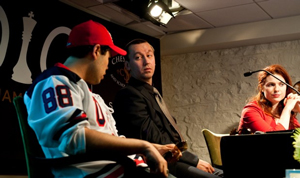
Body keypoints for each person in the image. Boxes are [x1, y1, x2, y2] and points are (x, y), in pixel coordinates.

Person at [23, 20, 181, 178]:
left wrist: (152, 148)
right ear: (96, 50)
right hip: (98, 173)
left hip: (122, 167)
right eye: (108, 56)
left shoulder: (87, 91)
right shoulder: (54, 81)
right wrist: (143, 146)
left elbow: (110, 138)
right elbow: (73, 138)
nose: (108, 64)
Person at [112, 39, 223, 178]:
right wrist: (194, 161)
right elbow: (154, 138)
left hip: (176, 158)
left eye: (149, 55)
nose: (146, 62)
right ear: (127, 65)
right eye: (138, 57)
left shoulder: (152, 93)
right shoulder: (129, 95)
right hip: (158, 163)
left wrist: (192, 159)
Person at [238, 64, 300, 134]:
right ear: (261, 88)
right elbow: (274, 139)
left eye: (281, 84)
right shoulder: (250, 111)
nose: (277, 89)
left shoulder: (283, 110)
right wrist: (287, 108)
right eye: (271, 84)